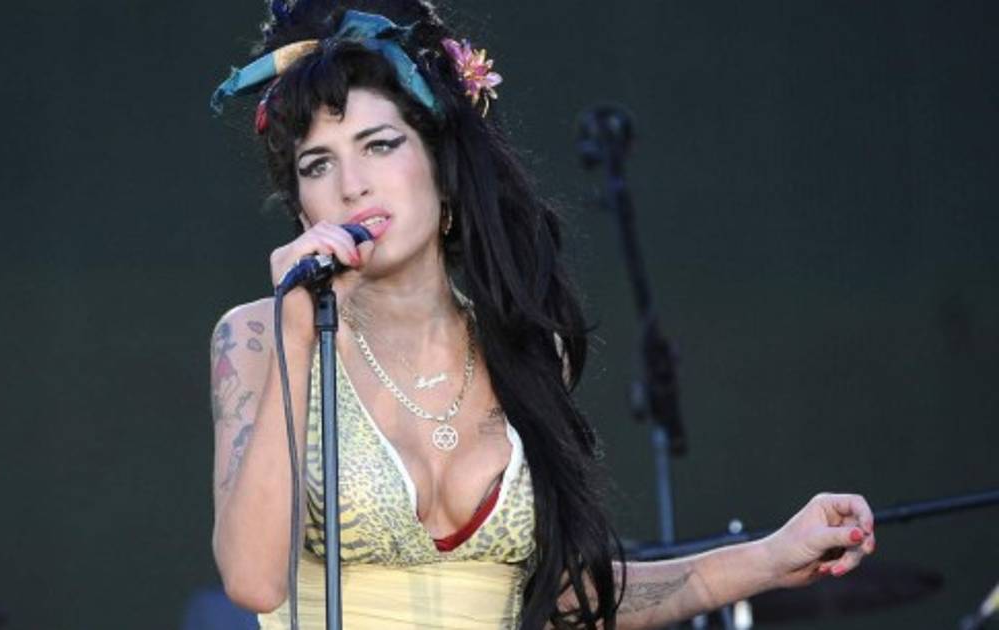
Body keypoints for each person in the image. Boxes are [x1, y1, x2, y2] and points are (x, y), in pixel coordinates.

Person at [208, 1, 877, 628]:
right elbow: (253, 581)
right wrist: (298, 329)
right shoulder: (261, 335)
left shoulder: (520, 348)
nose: (351, 184)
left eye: (379, 145)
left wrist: (769, 557)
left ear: (441, 165)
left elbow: (567, 598)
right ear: (301, 205)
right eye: (317, 164)